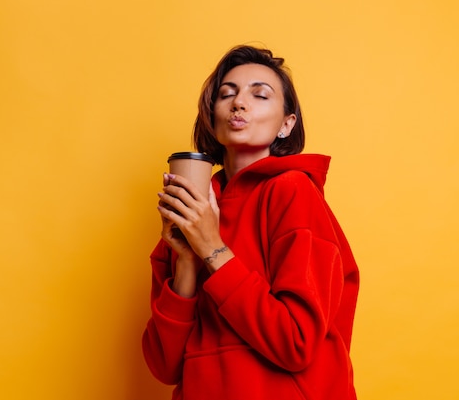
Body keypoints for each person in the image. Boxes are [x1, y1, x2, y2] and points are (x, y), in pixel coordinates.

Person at [142, 45, 359, 400]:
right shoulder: (193, 211)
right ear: (212, 118)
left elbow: (295, 342)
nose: (239, 103)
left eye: (260, 95)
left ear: (287, 124)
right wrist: (186, 260)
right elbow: (164, 366)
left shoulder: (293, 192)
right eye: (226, 94)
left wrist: (212, 248)